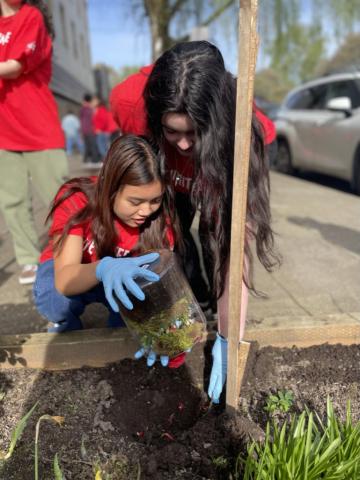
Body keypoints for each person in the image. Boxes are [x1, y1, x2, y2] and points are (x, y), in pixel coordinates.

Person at [111, 41, 280, 403]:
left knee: (212, 238)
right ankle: (192, 298)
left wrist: (227, 338)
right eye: (173, 132)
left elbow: (235, 246)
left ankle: (212, 310)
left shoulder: (241, 126)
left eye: (195, 131)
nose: (185, 145)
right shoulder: (129, 103)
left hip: (215, 170)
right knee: (170, 237)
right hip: (167, 182)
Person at [33, 135, 185, 368]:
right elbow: (65, 280)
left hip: (119, 284)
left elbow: (160, 285)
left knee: (127, 327)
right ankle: (64, 324)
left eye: (155, 200)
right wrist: (104, 267)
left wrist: (170, 333)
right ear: (110, 187)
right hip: (74, 273)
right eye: (135, 202)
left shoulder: (158, 223)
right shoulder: (78, 200)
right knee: (55, 299)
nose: (146, 211)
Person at [0, 0, 69, 285]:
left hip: (39, 126)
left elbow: (14, 67)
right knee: (12, 200)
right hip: (4, 129)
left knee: (61, 195)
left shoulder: (31, 16)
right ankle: (28, 258)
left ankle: (71, 251)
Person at [79, 93, 101, 167]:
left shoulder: (82, 109)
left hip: (85, 130)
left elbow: (81, 120)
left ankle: (86, 160)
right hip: (90, 130)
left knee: (88, 145)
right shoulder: (91, 109)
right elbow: (94, 120)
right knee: (93, 145)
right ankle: (95, 160)